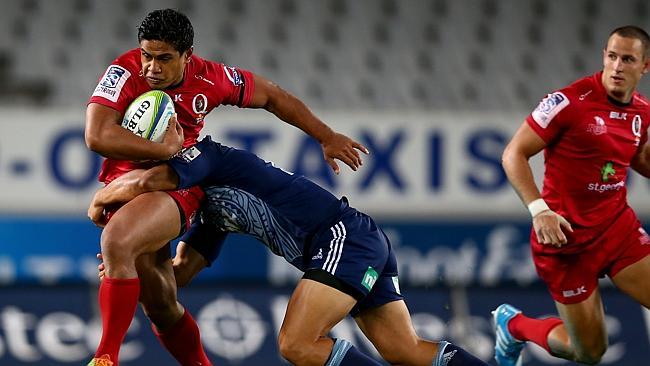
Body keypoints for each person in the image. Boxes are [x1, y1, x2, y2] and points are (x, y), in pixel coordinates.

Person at [85, 8, 368, 366]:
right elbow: (97, 135)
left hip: (177, 183)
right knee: (159, 303)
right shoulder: (123, 72)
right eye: (147, 55)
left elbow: (271, 95)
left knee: (117, 242)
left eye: (164, 58)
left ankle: (105, 357)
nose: (151, 67)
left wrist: (325, 136)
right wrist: (162, 149)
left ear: (188, 56)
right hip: (129, 184)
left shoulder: (211, 78)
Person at [88, 137, 490, 366]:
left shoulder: (204, 157)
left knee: (295, 343)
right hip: (359, 239)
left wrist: (101, 201)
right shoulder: (207, 211)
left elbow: (149, 181)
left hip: (339, 236)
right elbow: (179, 276)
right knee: (404, 349)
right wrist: (130, 273)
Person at [495, 25, 650, 365]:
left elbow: (637, 155)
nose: (617, 66)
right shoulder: (568, 102)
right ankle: (514, 325)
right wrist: (540, 210)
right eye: (612, 56)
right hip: (566, 240)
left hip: (616, 229)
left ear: (644, 66)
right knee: (590, 352)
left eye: (628, 59)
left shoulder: (641, 110)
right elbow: (513, 154)